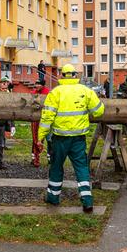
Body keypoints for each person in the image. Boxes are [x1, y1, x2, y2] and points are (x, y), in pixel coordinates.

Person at [39, 64, 105, 213]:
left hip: (60, 139)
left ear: (62, 76)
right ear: (75, 75)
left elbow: (46, 118)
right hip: (78, 139)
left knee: (56, 167)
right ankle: (87, 201)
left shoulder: (55, 93)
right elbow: (99, 110)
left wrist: (40, 137)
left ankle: (53, 197)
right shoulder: (85, 91)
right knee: (81, 168)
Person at [30, 81, 50, 168]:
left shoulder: (47, 93)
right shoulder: (33, 93)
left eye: (39, 84)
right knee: (35, 139)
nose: (37, 85)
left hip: (46, 119)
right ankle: (34, 158)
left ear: (43, 85)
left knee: (49, 139)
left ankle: (50, 157)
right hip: (35, 119)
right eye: (36, 84)